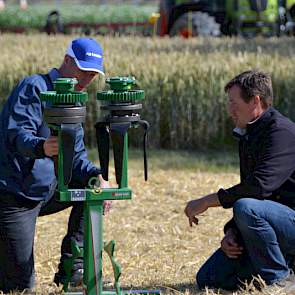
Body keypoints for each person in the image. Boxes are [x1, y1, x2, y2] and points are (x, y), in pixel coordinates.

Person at [0, 37, 110, 293]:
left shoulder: (73, 99)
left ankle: (74, 269)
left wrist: (97, 176)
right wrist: (42, 147)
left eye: (93, 74)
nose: (87, 79)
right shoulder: (33, 87)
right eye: (84, 70)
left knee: (91, 191)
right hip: (15, 193)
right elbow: (17, 134)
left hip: (47, 189)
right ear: (67, 60)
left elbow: (77, 158)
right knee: (20, 287)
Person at [184, 70, 295, 291]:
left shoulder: (282, 133)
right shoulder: (248, 134)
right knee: (209, 278)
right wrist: (232, 232)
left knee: (247, 207)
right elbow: (250, 193)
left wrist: (207, 201)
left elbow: (259, 187)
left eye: (234, 103)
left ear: (255, 101)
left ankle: (281, 280)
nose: (230, 110)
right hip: (274, 226)